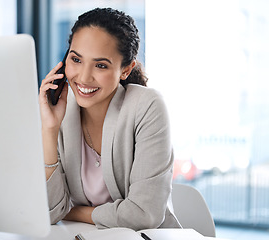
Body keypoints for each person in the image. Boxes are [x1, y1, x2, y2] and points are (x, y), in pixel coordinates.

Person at [39, 7, 181, 231]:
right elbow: (48, 211)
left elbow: (144, 215)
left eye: (101, 65)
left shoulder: (147, 106)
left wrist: (73, 211)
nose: (84, 77)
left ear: (126, 70)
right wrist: (49, 129)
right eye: (76, 59)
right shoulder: (63, 110)